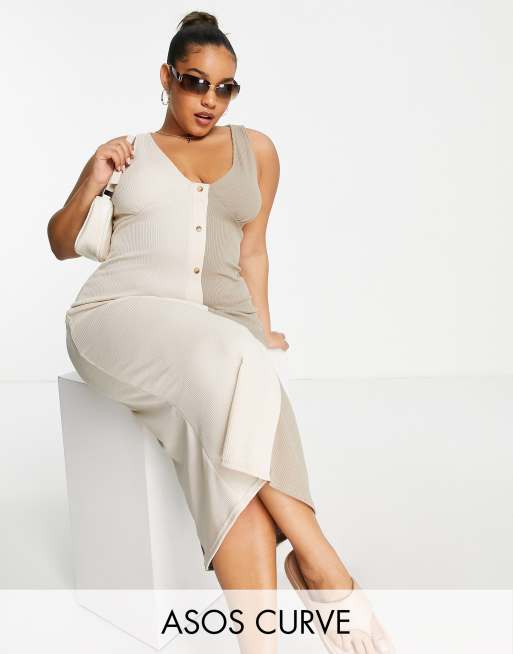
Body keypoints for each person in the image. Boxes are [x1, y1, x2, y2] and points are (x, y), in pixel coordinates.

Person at [47, 10, 394, 654]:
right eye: (194, 82)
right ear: (166, 78)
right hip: (117, 316)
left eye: (225, 88)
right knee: (238, 359)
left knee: (227, 466)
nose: (209, 100)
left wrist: (262, 327)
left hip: (211, 335)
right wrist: (92, 177)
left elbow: (253, 250)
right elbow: (62, 243)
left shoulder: (256, 151)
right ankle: (323, 566)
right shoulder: (128, 154)